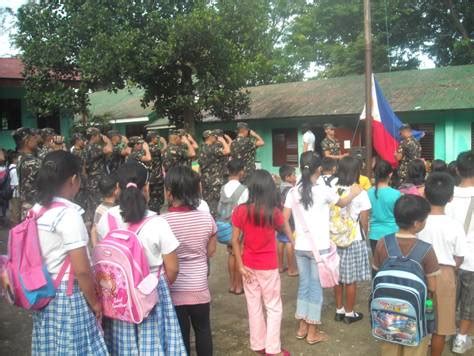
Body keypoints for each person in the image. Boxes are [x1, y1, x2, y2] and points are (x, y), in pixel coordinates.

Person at [96, 161, 187, 355]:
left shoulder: (107, 219)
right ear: (146, 187)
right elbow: (173, 268)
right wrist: (154, 288)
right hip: (151, 291)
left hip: (118, 298)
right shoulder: (157, 223)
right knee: (153, 344)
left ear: (118, 188)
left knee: (122, 345)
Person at [31, 150, 108, 355]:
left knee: (52, 347)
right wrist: (95, 303)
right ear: (74, 179)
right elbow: (82, 270)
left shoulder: (36, 210)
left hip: (43, 291)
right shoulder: (69, 215)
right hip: (68, 296)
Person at [283, 152, 362, 345]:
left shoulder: (293, 191)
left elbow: (283, 219)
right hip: (320, 248)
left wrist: (292, 241)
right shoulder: (323, 190)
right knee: (316, 288)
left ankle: (302, 327)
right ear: (319, 169)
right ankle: (312, 332)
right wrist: (354, 192)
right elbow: (342, 202)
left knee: (304, 286)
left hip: (300, 246)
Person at [231, 169, 293, 356]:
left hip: (248, 265)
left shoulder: (240, 210)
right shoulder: (273, 212)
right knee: (273, 306)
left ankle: (258, 344)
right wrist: (293, 241)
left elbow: (234, 240)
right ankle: (273, 349)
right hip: (268, 266)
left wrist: (240, 265)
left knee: (253, 305)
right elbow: (285, 227)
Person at [373, 194, 440, 356]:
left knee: (389, 348)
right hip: (415, 315)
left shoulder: (383, 243)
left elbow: (376, 273)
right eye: (424, 219)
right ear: (417, 224)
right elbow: (432, 287)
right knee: (414, 349)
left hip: (387, 313)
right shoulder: (426, 249)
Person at [162, 166, 217, 356]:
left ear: (169, 192)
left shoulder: (162, 221)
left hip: (174, 289)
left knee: (181, 335)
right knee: (203, 331)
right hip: (199, 287)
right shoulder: (206, 218)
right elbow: (210, 251)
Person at [417, 172, 466, 356]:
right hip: (445, 274)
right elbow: (459, 256)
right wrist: (453, 268)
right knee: (441, 324)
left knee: (419, 317)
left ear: (425, 194)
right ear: (451, 197)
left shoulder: (418, 222)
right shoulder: (455, 225)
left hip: (420, 272)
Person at [333, 156, 371, 324]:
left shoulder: (334, 188)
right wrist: (366, 234)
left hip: (334, 237)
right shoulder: (360, 192)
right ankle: (349, 313)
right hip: (353, 239)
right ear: (356, 171)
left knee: (338, 276)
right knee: (351, 279)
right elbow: (364, 220)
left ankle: (339, 309)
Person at [446, 151, 474, 354]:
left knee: (448, 298)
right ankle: (461, 338)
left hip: (449, 258)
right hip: (472, 259)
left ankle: (443, 332)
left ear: (457, 169)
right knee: (469, 301)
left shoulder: (447, 195)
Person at [218, 159, 248, 295]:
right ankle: (238, 286)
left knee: (231, 253)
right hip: (237, 227)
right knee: (239, 254)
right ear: (241, 172)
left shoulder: (223, 188)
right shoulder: (243, 189)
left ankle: (231, 284)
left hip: (224, 226)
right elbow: (244, 211)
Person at [367, 160, 401, 255]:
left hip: (374, 234)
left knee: (377, 265)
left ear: (374, 174)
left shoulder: (368, 193)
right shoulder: (396, 194)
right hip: (392, 233)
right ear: (390, 175)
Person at [84, 127, 113, 228]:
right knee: (99, 205)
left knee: (92, 205)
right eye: (98, 136)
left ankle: (93, 228)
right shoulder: (93, 147)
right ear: (95, 136)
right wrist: (108, 140)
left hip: (91, 179)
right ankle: (98, 229)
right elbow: (109, 149)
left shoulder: (86, 146)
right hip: (96, 180)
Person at [198, 130, 231, 217]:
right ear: (208, 137)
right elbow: (227, 151)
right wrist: (223, 141)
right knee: (215, 203)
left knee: (207, 201)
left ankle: (208, 219)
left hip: (205, 179)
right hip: (214, 180)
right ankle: (215, 222)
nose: (215, 137)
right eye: (213, 136)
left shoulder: (202, 148)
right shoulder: (212, 148)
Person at [12, 127, 42, 219]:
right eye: (33, 138)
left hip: (26, 207)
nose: (36, 140)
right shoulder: (32, 162)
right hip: (35, 208)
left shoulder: (20, 158)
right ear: (26, 141)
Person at [277, 164, 298, 276]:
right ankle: (291, 268)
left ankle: (280, 266)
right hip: (289, 220)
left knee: (281, 241)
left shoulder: (279, 188)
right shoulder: (291, 191)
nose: (295, 177)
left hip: (279, 218)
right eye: (294, 175)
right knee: (290, 242)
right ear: (287, 178)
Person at [90, 174, 119, 248]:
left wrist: (95, 248)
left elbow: (94, 229)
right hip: (115, 248)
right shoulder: (117, 211)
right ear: (115, 191)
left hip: (103, 250)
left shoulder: (99, 208)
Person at [146, 130, 167, 213]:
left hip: (151, 175)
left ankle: (154, 210)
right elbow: (163, 150)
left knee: (153, 195)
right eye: (156, 138)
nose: (158, 139)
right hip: (156, 176)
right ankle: (155, 212)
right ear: (152, 138)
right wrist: (164, 142)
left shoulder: (147, 148)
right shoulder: (153, 147)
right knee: (157, 197)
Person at [70, 133, 88, 216]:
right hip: (79, 179)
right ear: (77, 141)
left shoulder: (75, 151)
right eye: (81, 140)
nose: (83, 142)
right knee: (80, 200)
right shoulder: (77, 152)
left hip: (80, 179)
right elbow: (83, 166)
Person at [7, 151, 20, 226]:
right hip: (16, 193)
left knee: (13, 211)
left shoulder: (9, 167)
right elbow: (16, 184)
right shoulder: (14, 170)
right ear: (14, 159)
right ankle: (15, 229)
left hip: (12, 192)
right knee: (16, 212)